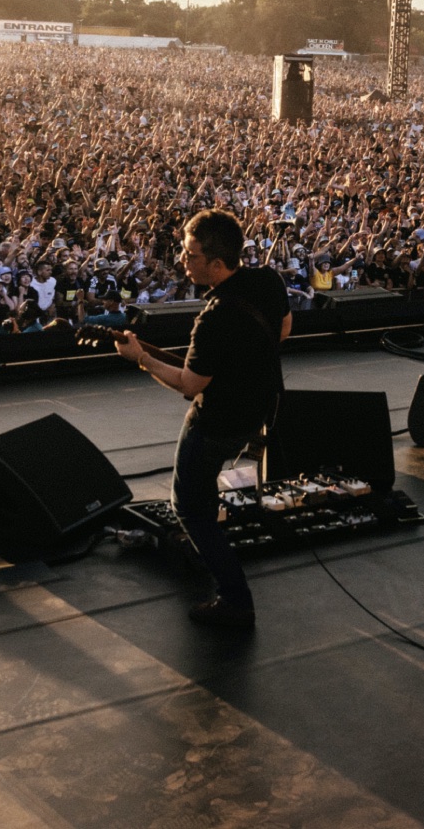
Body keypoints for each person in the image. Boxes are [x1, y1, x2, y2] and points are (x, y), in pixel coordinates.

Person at [115, 209, 288, 628]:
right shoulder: (268, 280)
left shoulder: (213, 318)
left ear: (216, 264)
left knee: (190, 509)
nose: (182, 260)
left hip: (215, 424)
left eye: (190, 255)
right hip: (260, 408)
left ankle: (235, 599)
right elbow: (282, 329)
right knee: (200, 498)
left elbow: (191, 385)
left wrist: (141, 359)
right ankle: (203, 546)